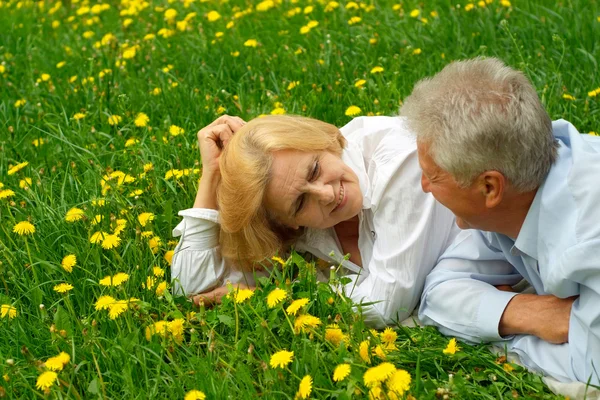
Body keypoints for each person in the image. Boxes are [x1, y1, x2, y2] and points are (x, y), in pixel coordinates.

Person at [399, 57, 600, 384]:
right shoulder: (517, 192)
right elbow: (438, 293)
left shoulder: (586, 240)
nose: (423, 187)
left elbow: (591, 366)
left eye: (432, 176)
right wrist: (523, 313)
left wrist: (502, 343)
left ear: (489, 187)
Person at [170, 114, 459, 328]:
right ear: (286, 223)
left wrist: (276, 297)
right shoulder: (298, 226)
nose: (327, 194)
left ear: (323, 141)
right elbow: (191, 290)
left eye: (314, 170)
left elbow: (386, 305)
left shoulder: (398, 158)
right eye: (300, 203)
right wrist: (212, 176)